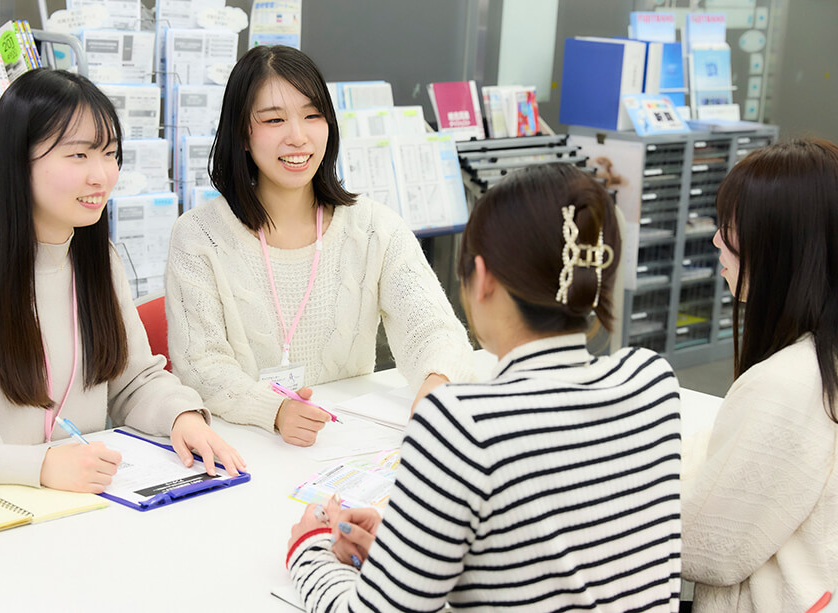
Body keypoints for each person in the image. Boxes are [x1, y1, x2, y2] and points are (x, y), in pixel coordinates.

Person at [285, 163, 683, 611]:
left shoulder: (462, 422)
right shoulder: (653, 384)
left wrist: (311, 547)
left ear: (483, 277)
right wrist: (407, 551)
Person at [0, 68, 243, 493]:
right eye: (79, 155)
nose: (101, 175)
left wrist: (181, 416)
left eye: (110, 153)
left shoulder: (99, 261)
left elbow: (133, 382)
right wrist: (37, 466)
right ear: (19, 161)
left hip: (82, 505)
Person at [165, 45, 474, 446]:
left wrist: (436, 382)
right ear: (242, 133)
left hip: (346, 444)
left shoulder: (374, 228)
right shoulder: (198, 236)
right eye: (274, 119)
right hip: (244, 447)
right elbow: (200, 366)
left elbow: (433, 328)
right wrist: (274, 410)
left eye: (312, 116)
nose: (298, 137)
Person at [681, 139, 838, 612]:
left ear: (784, 245)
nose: (716, 240)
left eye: (732, 227)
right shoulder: (833, 359)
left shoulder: (786, 384)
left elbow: (705, 549)